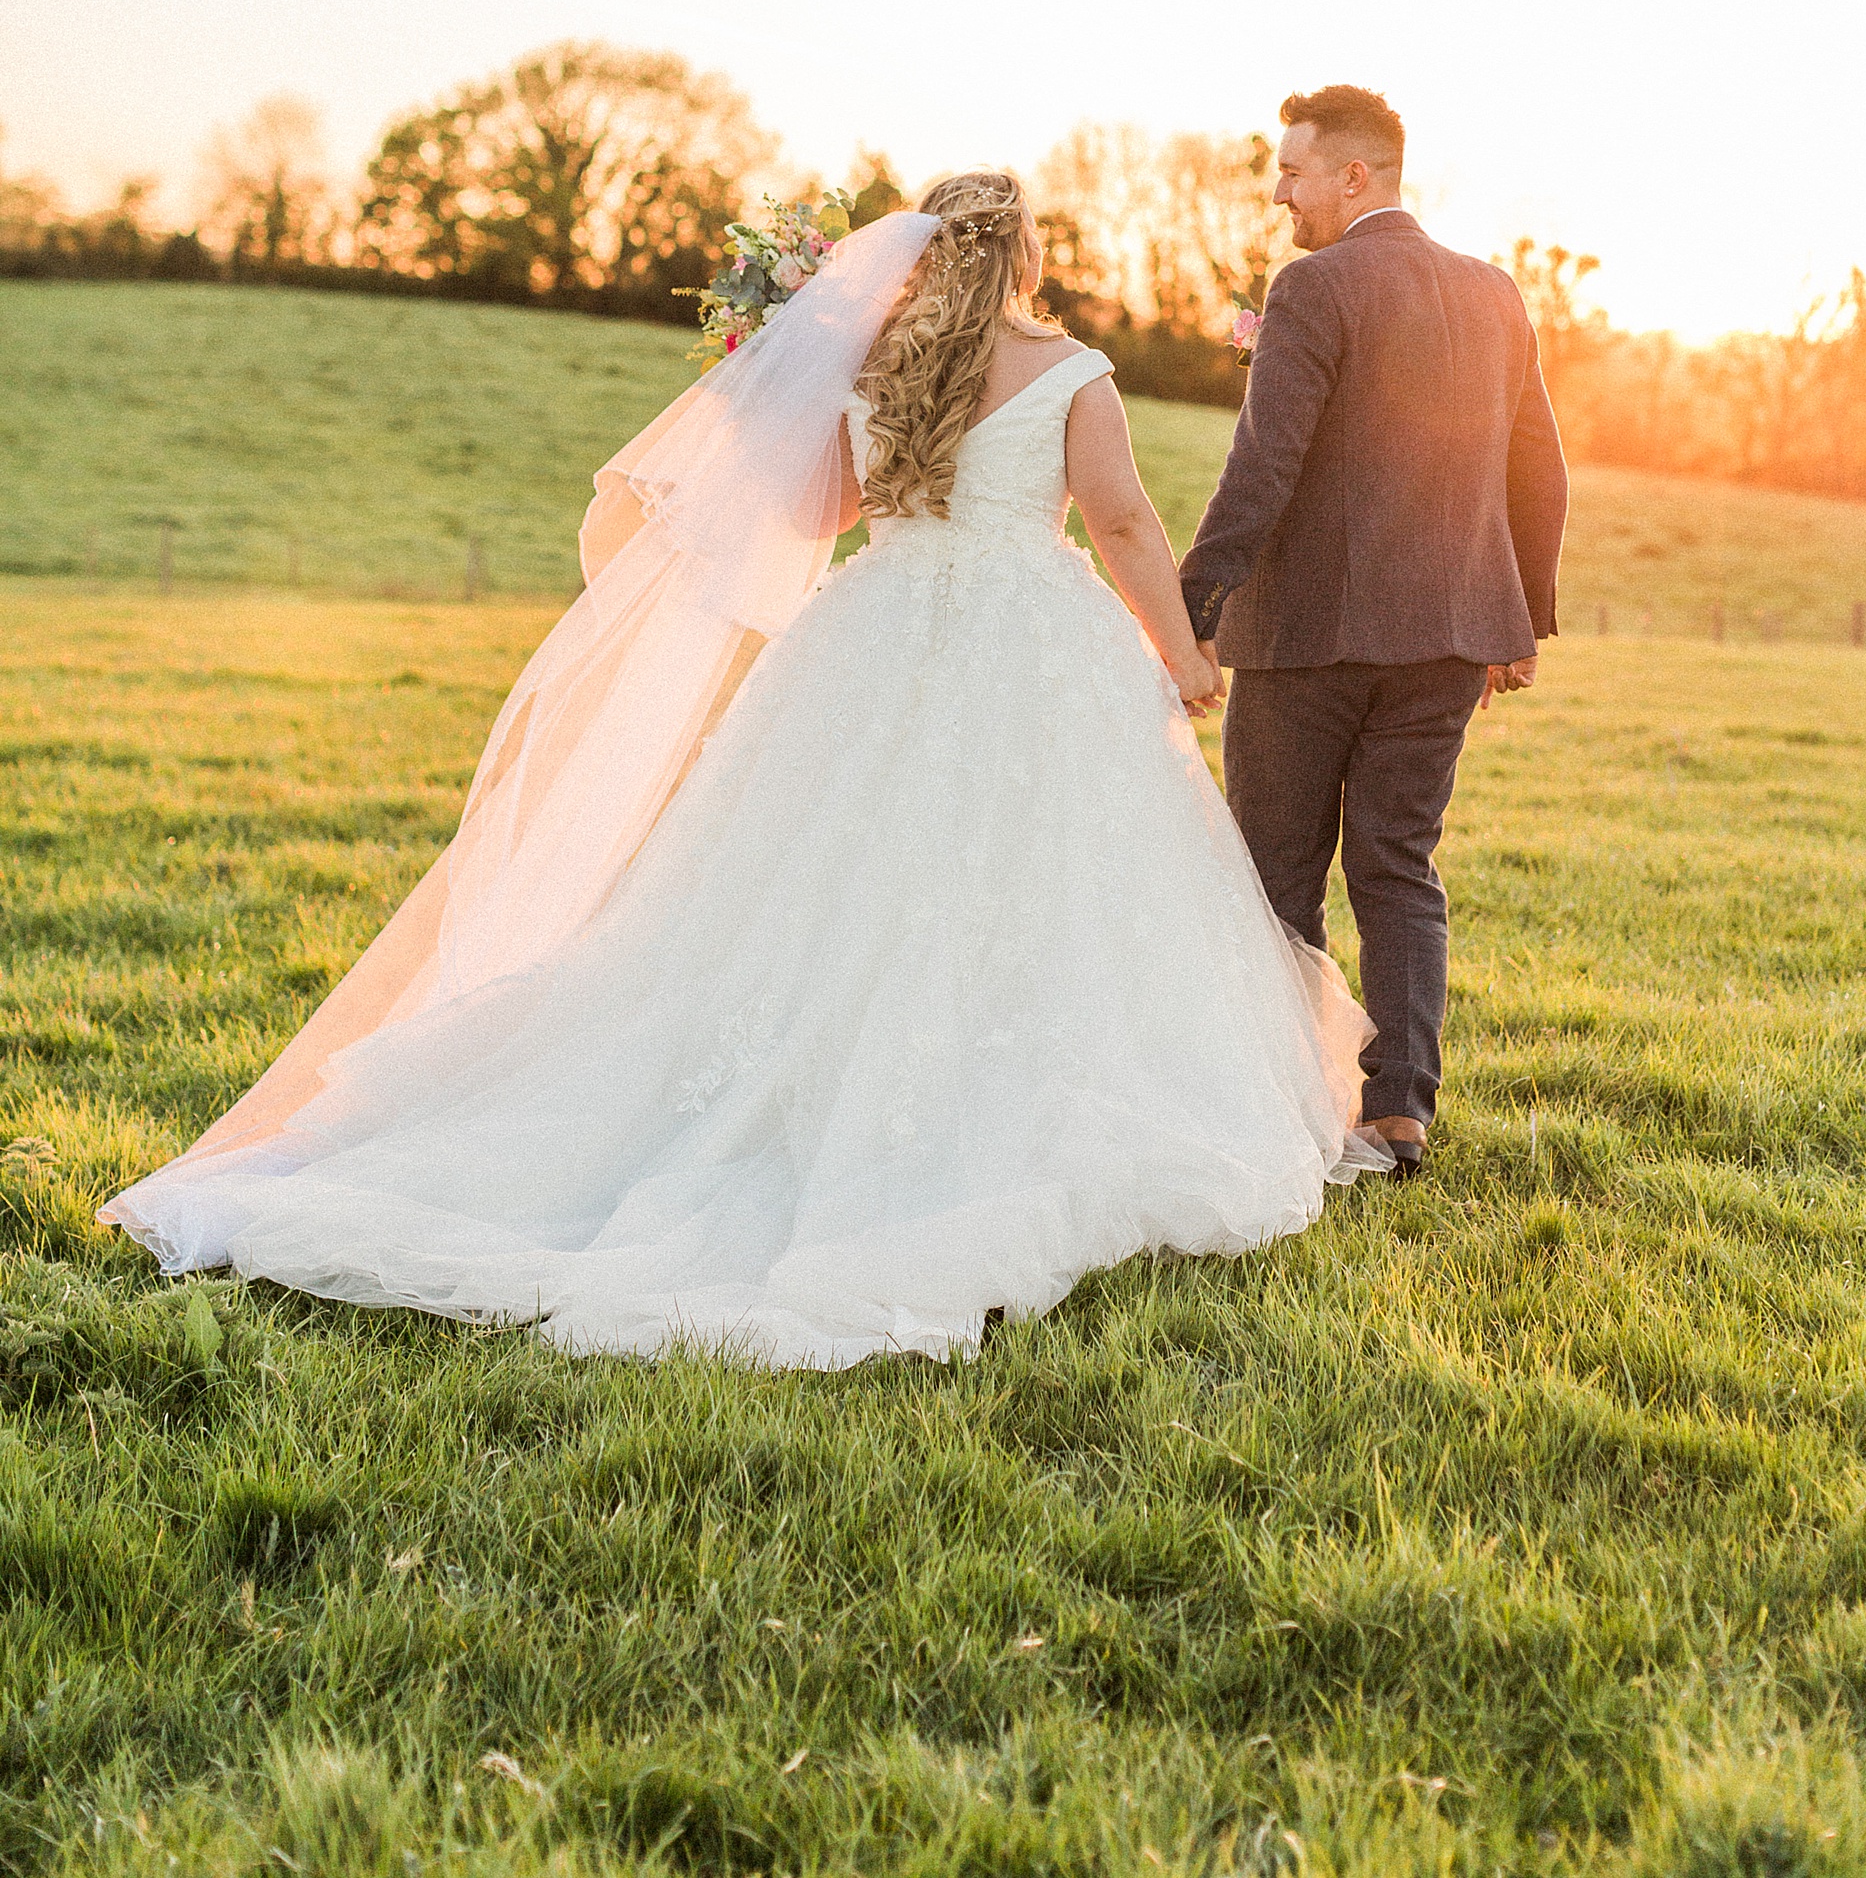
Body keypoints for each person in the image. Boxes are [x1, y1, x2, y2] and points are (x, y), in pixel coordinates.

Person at [103, 172, 1389, 1369]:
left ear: (925, 255)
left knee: (811, 878)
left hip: (871, 632)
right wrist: (1177, 652)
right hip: (1027, 639)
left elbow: (818, 517)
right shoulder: (1071, 371)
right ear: (1028, 258)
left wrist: (776, 386)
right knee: (1031, 875)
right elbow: (1117, 516)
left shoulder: (878, 369)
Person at [1180, 88, 1568, 1178]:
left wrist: (1190, 607)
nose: (1277, 191)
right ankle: (1397, 1114)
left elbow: (1265, 463)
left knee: (1274, 872)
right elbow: (1539, 465)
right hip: (1451, 635)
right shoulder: (1493, 292)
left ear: (1357, 176)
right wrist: (1518, 617)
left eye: (1292, 171)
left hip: (1312, 638)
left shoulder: (1311, 286)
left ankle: (1278, 1099)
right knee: (1398, 867)